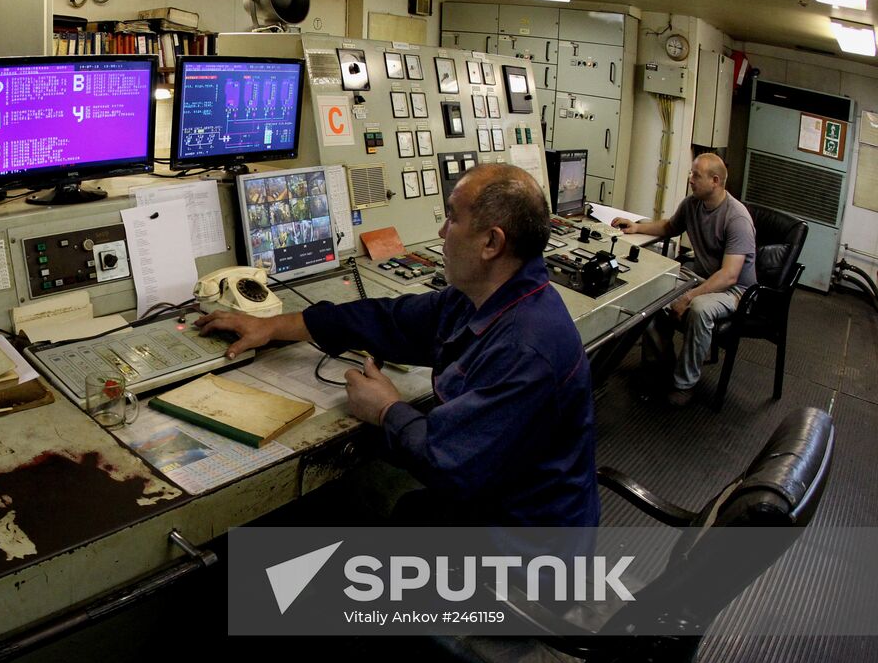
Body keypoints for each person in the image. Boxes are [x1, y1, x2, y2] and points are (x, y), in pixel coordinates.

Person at [196, 164, 599, 528]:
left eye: (452, 218)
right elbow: (389, 320)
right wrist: (273, 326)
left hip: (522, 545)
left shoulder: (523, 348)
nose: (441, 232)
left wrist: (386, 408)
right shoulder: (483, 297)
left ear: (491, 243)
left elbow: (449, 464)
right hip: (491, 501)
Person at [612, 153, 756, 407]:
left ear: (715, 181)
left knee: (699, 310)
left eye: (695, 175)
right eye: (691, 173)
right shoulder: (693, 204)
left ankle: (684, 384)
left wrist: (689, 296)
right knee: (656, 293)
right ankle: (658, 368)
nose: (690, 179)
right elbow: (669, 227)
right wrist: (636, 226)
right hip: (704, 278)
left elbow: (730, 275)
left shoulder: (737, 218)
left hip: (735, 291)